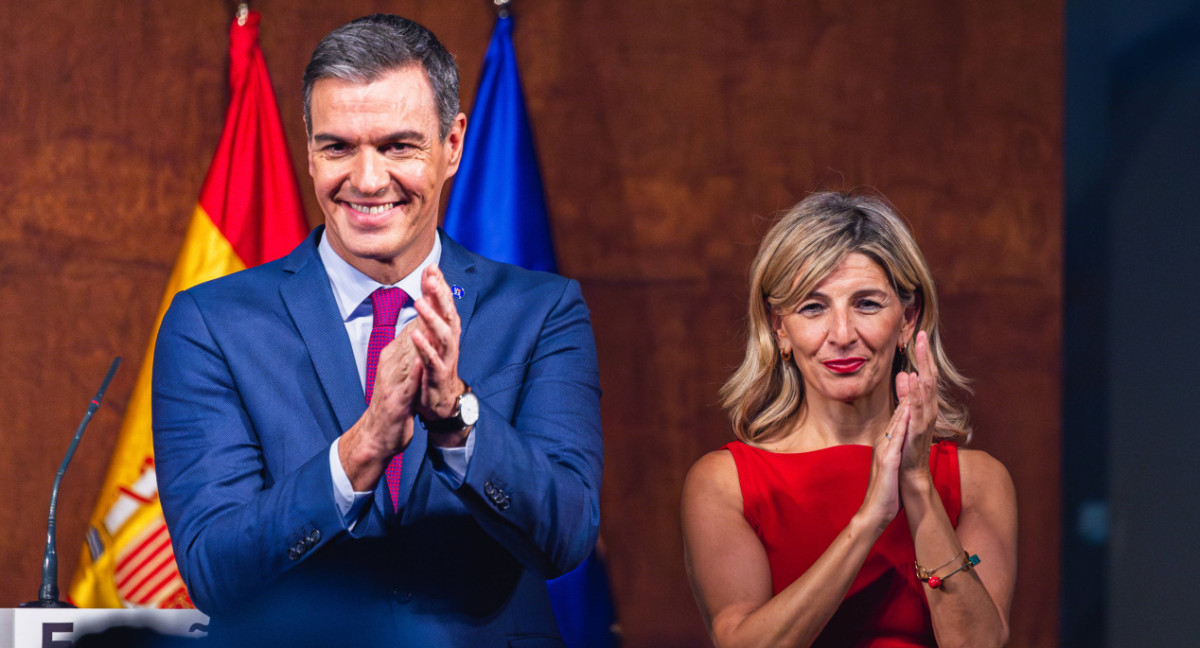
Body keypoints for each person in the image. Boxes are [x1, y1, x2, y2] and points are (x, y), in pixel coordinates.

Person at [152, 14, 602, 646]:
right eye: (338, 147)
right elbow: (214, 569)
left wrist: (455, 416)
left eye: (398, 146)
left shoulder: (543, 311)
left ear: (451, 145)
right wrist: (359, 451)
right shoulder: (210, 324)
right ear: (308, 149)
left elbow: (567, 535)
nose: (366, 181)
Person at [681, 191, 1017, 648]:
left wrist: (916, 484)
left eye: (867, 304)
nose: (841, 335)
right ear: (779, 328)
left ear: (908, 319)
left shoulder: (979, 480)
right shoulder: (726, 482)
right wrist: (869, 521)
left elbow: (979, 645)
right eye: (813, 308)